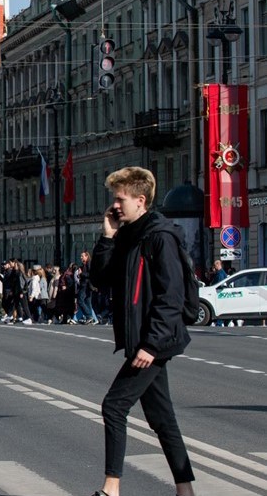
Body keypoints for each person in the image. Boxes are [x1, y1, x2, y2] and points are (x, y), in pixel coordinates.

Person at [89, 167, 194, 496]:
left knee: (114, 406)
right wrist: (107, 236)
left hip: (153, 342)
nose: (115, 205)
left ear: (141, 200)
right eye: (114, 198)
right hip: (142, 339)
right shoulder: (127, 235)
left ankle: (111, 488)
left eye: (120, 199)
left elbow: (171, 297)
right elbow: (100, 279)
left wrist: (151, 344)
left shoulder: (159, 236)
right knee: (162, 418)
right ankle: (186, 490)